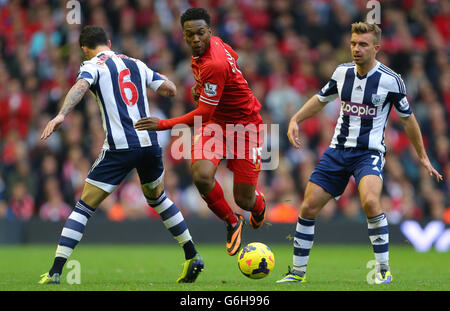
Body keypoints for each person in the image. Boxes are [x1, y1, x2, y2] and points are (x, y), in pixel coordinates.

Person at [276, 22, 443, 285]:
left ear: (376, 48)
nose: (356, 49)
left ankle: (383, 269)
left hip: (370, 153)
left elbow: (409, 119)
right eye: (353, 43)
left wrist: (422, 155)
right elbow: (321, 99)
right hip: (337, 151)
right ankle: (297, 273)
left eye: (363, 44)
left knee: (370, 202)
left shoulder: (391, 80)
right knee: (307, 207)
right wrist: (296, 118)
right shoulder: (342, 73)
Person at [38, 25, 203, 285]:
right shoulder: (135, 62)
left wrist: (61, 114)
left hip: (120, 147)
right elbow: (170, 88)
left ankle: (56, 271)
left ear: (84, 48)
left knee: (83, 207)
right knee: (159, 199)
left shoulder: (92, 64)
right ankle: (192, 254)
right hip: (150, 144)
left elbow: (81, 86)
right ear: (109, 41)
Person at [135, 8, 267, 256]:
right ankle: (232, 222)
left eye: (200, 33)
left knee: (244, 200)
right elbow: (233, 59)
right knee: (201, 174)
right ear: (183, 36)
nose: (196, 39)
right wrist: (206, 89)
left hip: (245, 127)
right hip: (216, 125)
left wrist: (161, 124)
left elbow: (202, 113)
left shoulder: (213, 63)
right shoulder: (215, 45)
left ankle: (258, 206)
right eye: (190, 34)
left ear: (209, 31)